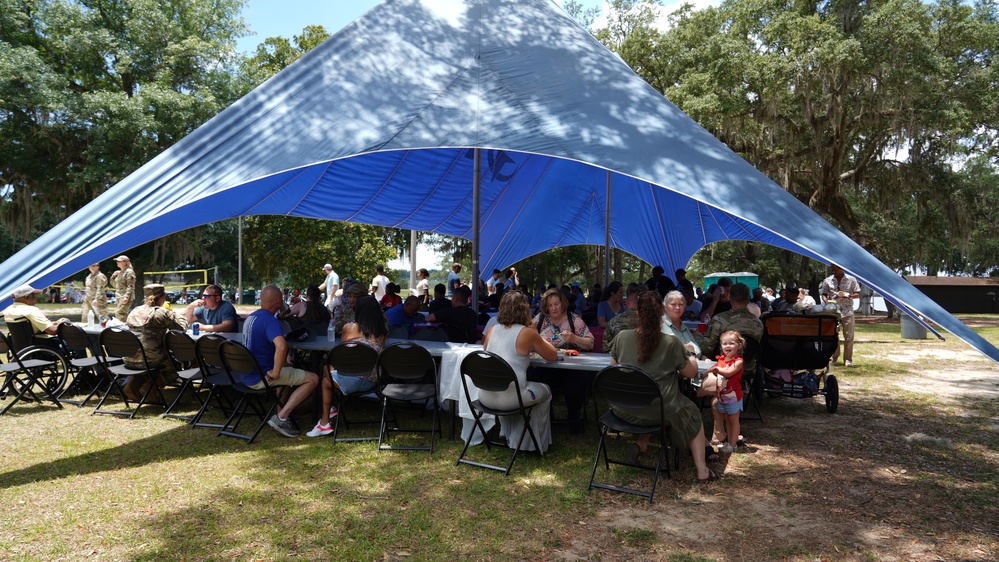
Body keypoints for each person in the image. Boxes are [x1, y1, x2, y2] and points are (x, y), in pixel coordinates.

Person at [606, 291, 716, 482]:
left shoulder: (622, 337)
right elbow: (690, 373)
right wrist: (690, 357)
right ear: (661, 314)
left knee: (651, 397)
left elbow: (614, 369)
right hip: (660, 410)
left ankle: (642, 445)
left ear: (638, 314)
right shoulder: (671, 342)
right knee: (692, 412)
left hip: (623, 409)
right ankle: (702, 470)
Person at [480, 291, 558, 452]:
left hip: (485, 396)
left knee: (517, 386)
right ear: (525, 310)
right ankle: (531, 442)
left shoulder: (491, 330)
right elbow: (552, 356)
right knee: (545, 390)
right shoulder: (527, 333)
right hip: (511, 399)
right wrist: (535, 333)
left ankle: (508, 433)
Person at [241, 286, 319, 437]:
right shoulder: (270, 321)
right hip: (262, 376)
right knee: (313, 379)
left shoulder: (251, 318)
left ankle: (281, 412)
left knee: (287, 368)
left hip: (246, 374)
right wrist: (276, 372)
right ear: (278, 301)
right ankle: (282, 417)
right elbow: (282, 347)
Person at [306, 295, 387, 437]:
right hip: (373, 381)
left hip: (352, 380)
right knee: (326, 368)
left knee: (326, 378)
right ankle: (331, 408)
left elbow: (341, 354)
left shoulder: (349, 328)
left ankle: (325, 422)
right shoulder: (381, 333)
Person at [532, 288, 594, 432]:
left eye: (556, 304)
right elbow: (528, 335)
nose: (553, 308)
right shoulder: (540, 319)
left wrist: (574, 338)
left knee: (575, 386)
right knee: (538, 379)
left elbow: (590, 343)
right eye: (550, 305)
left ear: (563, 303)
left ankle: (574, 417)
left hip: (570, 368)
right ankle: (547, 415)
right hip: (546, 365)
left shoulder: (574, 320)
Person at [122, 284, 189, 400]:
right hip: (151, 359)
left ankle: (132, 385)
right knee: (174, 368)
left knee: (150, 365)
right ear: (163, 297)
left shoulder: (135, 311)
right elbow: (181, 328)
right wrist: (180, 316)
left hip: (129, 358)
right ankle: (150, 388)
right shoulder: (161, 312)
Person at [702, 283, 763, 374]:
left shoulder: (719, 320)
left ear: (730, 299)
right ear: (748, 300)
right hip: (748, 370)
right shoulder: (758, 323)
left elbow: (707, 348)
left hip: (723, 368)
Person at [702, 330, 745, 453]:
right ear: (721, 346)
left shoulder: (738, 362)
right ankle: (730, 442)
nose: (728, 346)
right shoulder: (721, 359)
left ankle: (733, 444)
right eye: (724, 343)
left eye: (731, 343)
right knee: (726, 419)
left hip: (733, 397)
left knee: (733, 420)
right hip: (722, 397)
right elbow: (712, 369)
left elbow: (728, 372)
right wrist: (705, 371)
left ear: (739, 346)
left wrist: (716, 369)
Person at [3, 284, 69, 348]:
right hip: (41, 344)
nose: (35, 298)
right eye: (33, 295)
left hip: (20, 347)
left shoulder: (8, 310)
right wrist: (64, 323)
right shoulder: (30, 310)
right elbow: (52, 331)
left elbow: (28, 328)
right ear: (27, 297)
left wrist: (52, 323)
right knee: (72, 343)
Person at [822, 264, 861, 367]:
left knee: (849, 336)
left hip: (847, 311)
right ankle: (834, 356)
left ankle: (848, 360)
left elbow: (858, 293)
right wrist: (826, 301)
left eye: (836, 268)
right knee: (833, 335)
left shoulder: (851, 279)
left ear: (842, 268)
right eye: (832, 269)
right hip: (833, 310)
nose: (834, 270)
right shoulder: (827, 280)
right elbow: (824, 294)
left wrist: (849, 296)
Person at [603, 283, 644, 350]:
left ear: (625, 302)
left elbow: (606, 347)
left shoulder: (613, 321)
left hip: (619, 358)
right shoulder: (647, 321)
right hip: (641, 358)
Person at [661, 290, 701, 356]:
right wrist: (690, 353)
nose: (677, 307)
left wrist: (701, 356)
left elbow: (697, 349)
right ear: (665, 307)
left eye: (681, 304)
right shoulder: (660, 325)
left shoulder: (684, 327)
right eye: (673, 304)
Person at [109, 255, 136, 321]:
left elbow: (131, 286)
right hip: (119, 296)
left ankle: (122, 329)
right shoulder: (120, 272)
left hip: (125, 296)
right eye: (117, 261)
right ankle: (124, 327)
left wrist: (126, 297)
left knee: (120, 313)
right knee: (121, 314)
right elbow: (116, 285)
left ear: (125, 262)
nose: (117, 262)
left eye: (119, 261)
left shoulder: (129, 272)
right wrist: (113, 276)